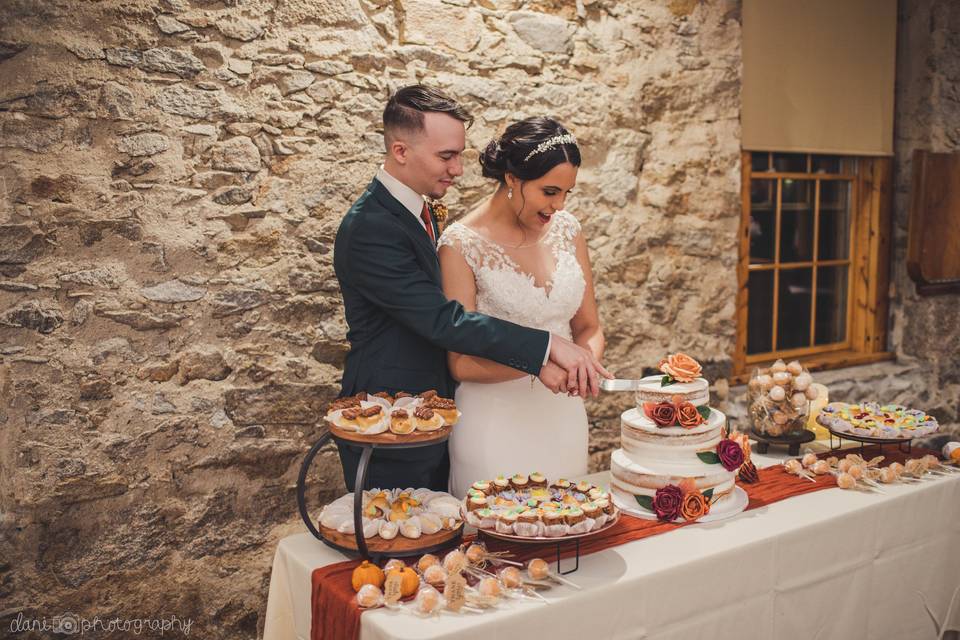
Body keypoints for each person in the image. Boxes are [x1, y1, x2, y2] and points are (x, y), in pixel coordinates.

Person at [332, 86, 609, 492]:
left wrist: (576, 364)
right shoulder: (371, 227)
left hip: (459, 414)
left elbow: (588, 324)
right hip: (392, 417)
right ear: (400, 151)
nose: (459, 169)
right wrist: (547, 349)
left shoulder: (421, 210)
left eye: (459, 155)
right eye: (446, 156)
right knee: (406, 542)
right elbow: (446, 321)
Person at [438, 117, 604, 497]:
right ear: (512, 179)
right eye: (549, 191)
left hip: (562, 418)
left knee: (567, 535)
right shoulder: (460, 245)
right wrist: (538, 364)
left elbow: (588, 327)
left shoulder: (567, 230)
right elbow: (460, 363)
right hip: (493, 425)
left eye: (567, 193)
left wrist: (584, 367)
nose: (558, 205)